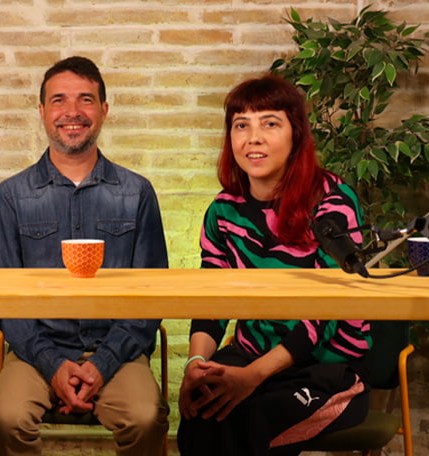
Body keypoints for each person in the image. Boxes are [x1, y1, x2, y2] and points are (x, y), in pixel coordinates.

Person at [176, 75, 372, 456]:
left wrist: (252, 377)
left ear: (295, 134)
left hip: (325, 366)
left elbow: (325, 314)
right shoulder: (224, 210)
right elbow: (213, 298)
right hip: (250, 351)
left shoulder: (332, 203)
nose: (254, 138)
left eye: (270, 123)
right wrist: (197, 363)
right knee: (202, 407)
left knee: (248, 418)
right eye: (241, 125)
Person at [0, 56, 170, 456]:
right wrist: (52, 364)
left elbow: (151, 295)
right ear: (41, 112)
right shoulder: (11, 196)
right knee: (6, 416)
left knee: (146, 417)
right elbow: (3, 300)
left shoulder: (137, 193)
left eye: (86, 100)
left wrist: (102, 364)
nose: (72, 112)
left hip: (118, 353)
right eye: (59, 101)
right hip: (36, 352)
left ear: (103, 110)